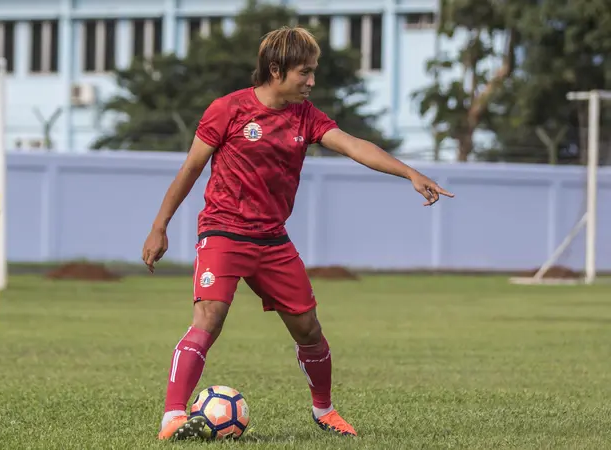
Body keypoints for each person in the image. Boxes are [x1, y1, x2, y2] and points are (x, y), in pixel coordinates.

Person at [142, 26, 454, 441]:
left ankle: (324, 410)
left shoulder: (305, 117)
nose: (311, 81)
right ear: (276, 69)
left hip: (272, 240)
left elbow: (354, 145)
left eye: (313, 72)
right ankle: (173, 417)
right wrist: (159, 226)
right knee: (209, 318)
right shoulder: (228, 109)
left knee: (308, 328)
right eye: (304, 72)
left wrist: (409, 173)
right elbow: (190, 169)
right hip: (223, 233)